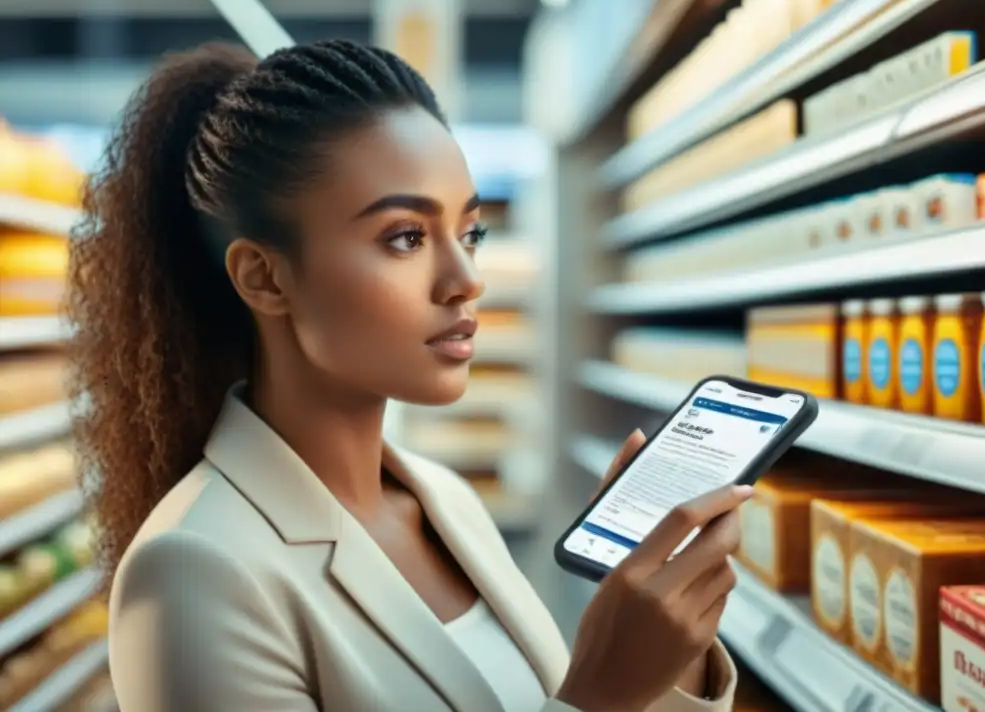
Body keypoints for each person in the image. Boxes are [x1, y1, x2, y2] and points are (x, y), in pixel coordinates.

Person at [66, 39, 750, 712]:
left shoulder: (447, 503)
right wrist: (601, 694)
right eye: (406, 237)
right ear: (264, 277)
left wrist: (669, 646)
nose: (466, 280)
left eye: (470, 233)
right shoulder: (192, 572)